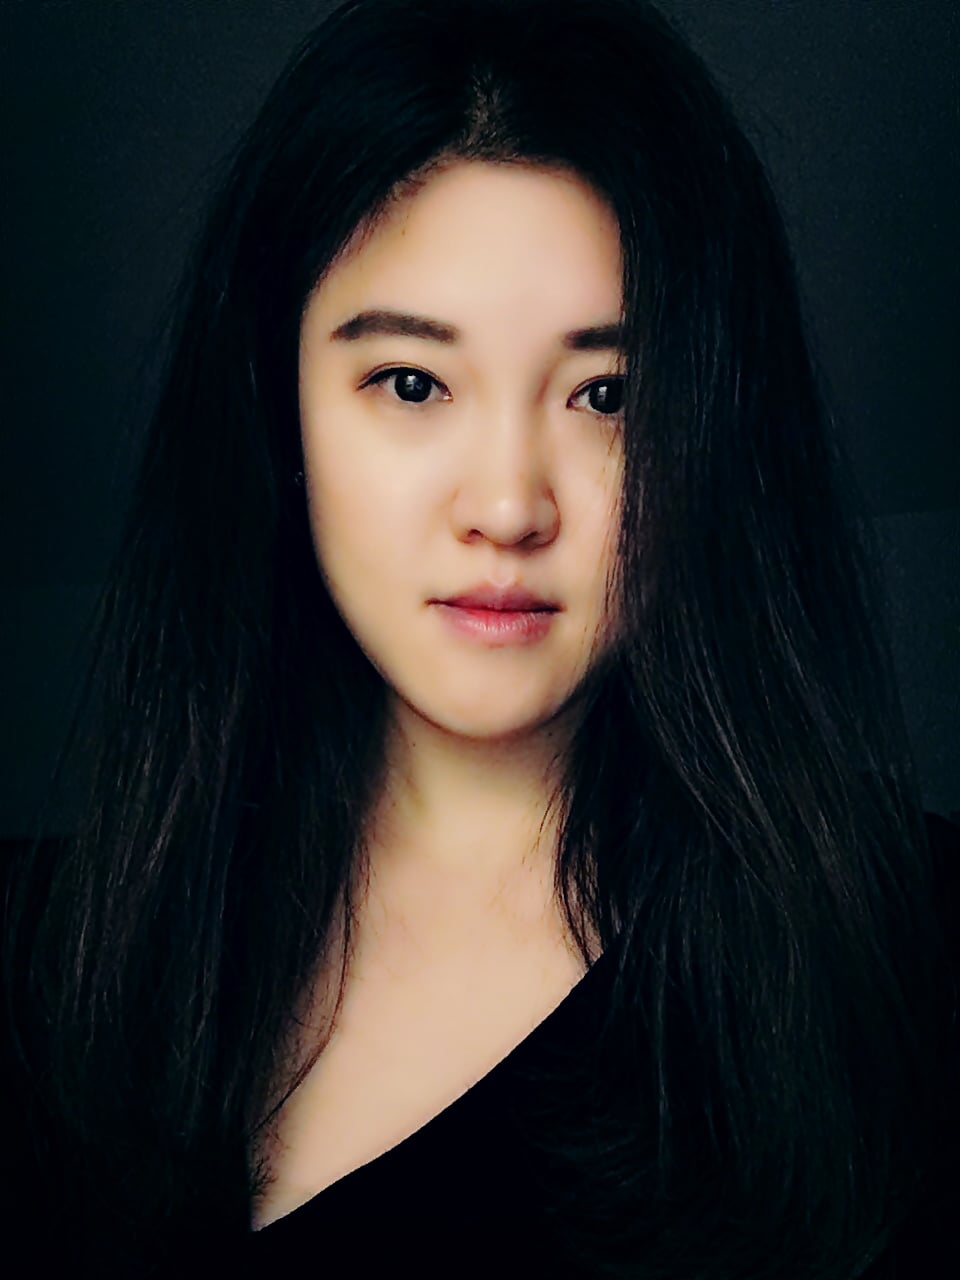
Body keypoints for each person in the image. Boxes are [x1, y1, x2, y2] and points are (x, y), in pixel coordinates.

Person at [2, 0, 955, 1276]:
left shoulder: (904, 951)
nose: (508, 506)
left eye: (608, 395)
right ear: (278, 410)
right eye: (412, 382)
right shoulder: (48, 965)